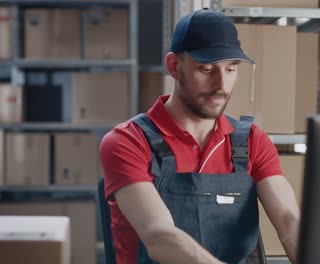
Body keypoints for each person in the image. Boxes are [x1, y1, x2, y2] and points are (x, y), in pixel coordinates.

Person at [99, 8, 300, 264]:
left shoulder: (251, 142)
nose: (221, 85)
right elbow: (160, 236)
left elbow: (288, 221)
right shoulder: (127, 142)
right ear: (174, 66)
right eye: (206, 69)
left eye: (231, 69)